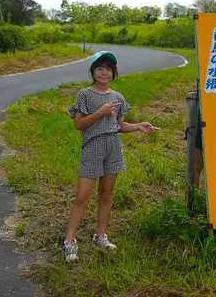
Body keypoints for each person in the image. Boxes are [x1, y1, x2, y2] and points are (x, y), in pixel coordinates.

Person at [62, 50, 159, 263]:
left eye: (108, 69)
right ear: (92, 72)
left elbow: (119, 126)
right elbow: (78, 125)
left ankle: (100, 236)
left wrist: (138, 126)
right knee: (82, 197)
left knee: (106, 195)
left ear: (114, 73)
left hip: (113, 147)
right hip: (93, 147)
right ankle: (69, 241)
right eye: (100, 68)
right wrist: (100, 112)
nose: (104, 73)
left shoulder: (118, 97)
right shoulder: (84, 95)